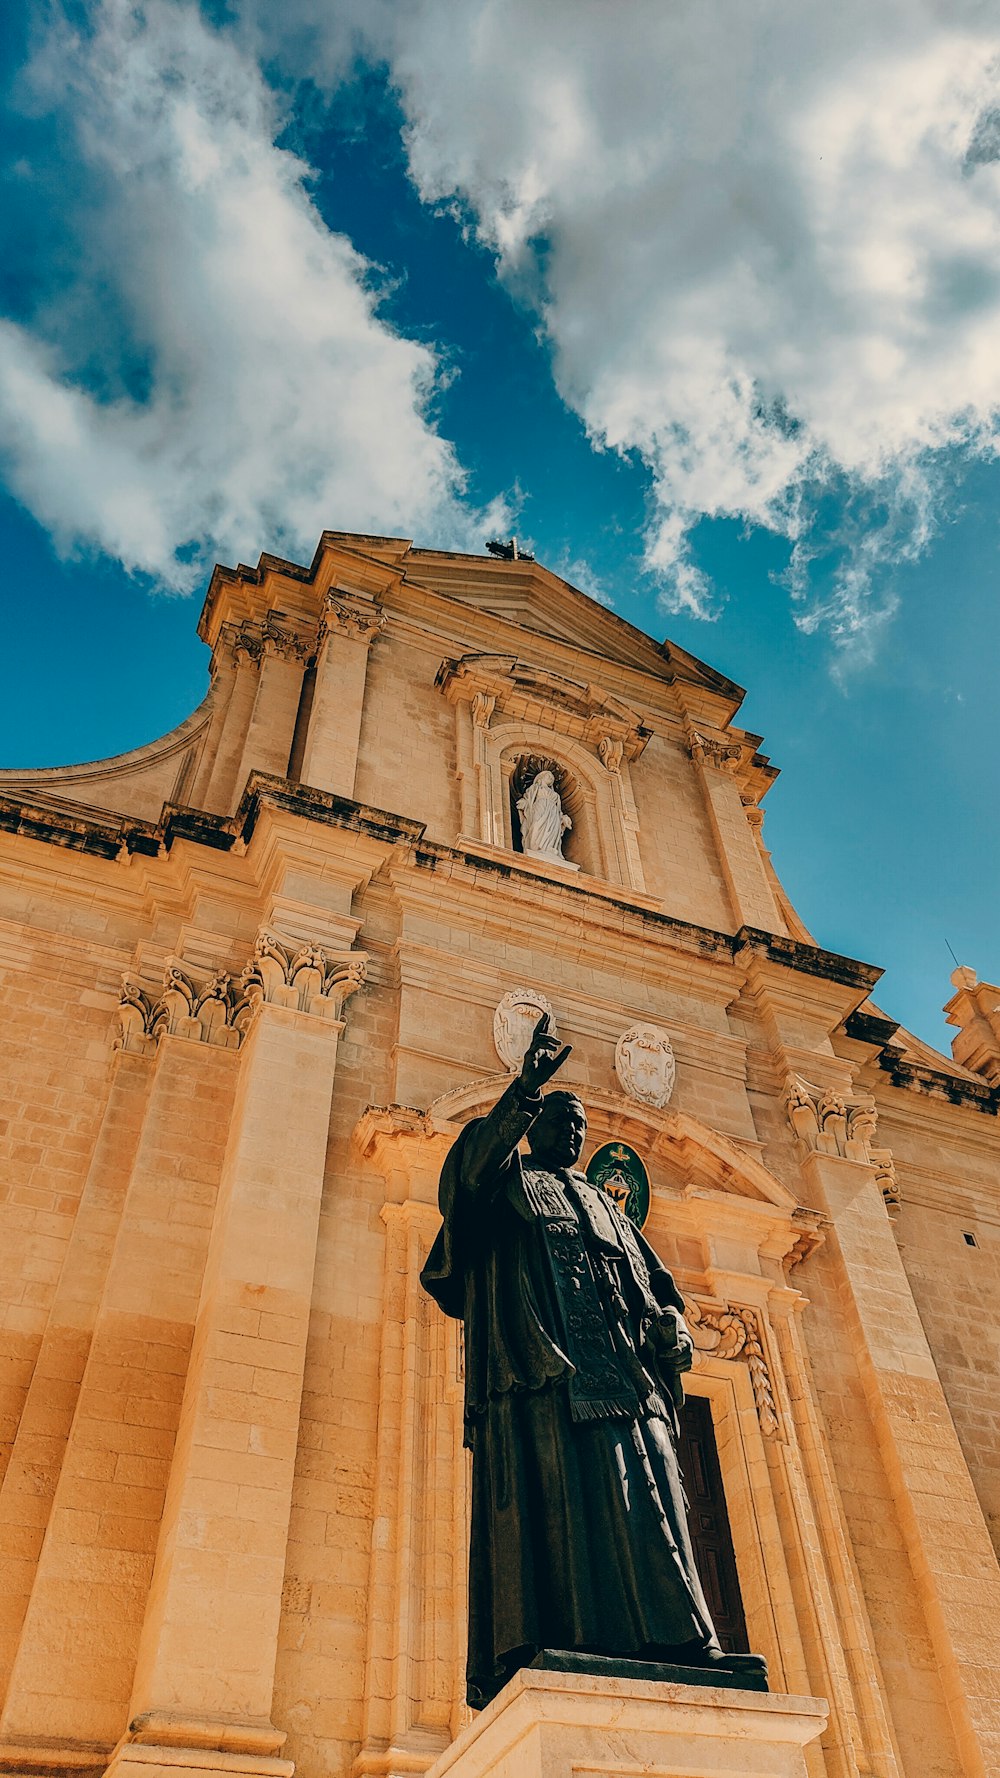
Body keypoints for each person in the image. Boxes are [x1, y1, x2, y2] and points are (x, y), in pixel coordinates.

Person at [421, 1014, 765, 1707]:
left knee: (653, 1502)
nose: (574, 1132)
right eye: (563, 1119)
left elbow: (657, 1287)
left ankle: (681, 1640)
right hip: (545, 1378)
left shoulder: (607, 1210)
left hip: (628, 1385)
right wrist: (524, 1090)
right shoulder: (508, 1181)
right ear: (536, 1126)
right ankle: (563, 1639)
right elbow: (465, 1180)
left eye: (581, 1126)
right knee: (565, 1506)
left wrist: (675, 1328)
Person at [516, 769, 571, 859]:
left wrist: (563, 817)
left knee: (552, 829)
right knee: (536, 825)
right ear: (541, 777)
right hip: (539, 807)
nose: (550, 777)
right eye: (548, 775)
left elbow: (558, 809)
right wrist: (524, 803)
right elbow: (528, 799)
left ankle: (549, 848)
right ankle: (535, 847)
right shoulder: (535, 788)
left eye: (552, 777)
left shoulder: (555, 794)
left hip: (553, 811)